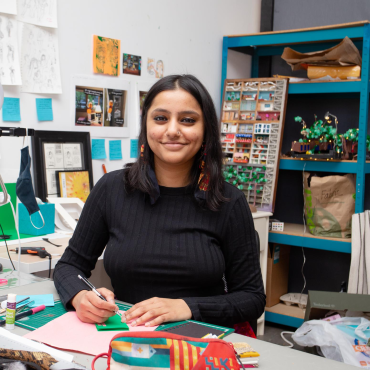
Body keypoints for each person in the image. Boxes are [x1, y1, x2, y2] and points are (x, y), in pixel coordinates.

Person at [54, 74, 265, 330]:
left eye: (188, 120)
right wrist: (79, 296)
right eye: (161, 118)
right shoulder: (111, 189)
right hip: (125, 335)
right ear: (146, 126)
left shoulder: (229, 201)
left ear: (206, 128)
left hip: (200, 340)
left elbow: (252, 298)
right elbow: (69, 266)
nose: (173, 130)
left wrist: (186, 306)